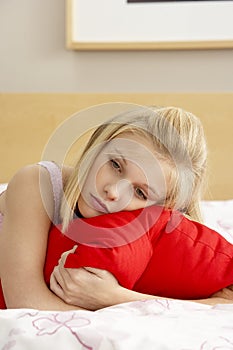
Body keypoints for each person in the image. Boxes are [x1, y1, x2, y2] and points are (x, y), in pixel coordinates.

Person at [0, 105, 233, 311]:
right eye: (115, 165)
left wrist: (115, 298)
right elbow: (25, 302)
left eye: (140, 192)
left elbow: (223, 303)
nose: (113, 192)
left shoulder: (151, 235)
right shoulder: (38, 184)